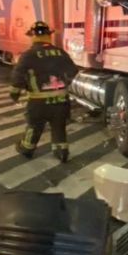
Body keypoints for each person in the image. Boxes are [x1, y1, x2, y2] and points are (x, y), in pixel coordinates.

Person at [9, 21, 78, 162]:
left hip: (38, 102)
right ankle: (61, 151)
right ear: (49, 36)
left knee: (35, 126)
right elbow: (73, 71)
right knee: (59, 126)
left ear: (33, 36)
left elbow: (18, 75)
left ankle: (26, 149)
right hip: (61, 101)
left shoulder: (29, 54)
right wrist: (63, 84)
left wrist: (14, 93)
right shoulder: (60, 52)